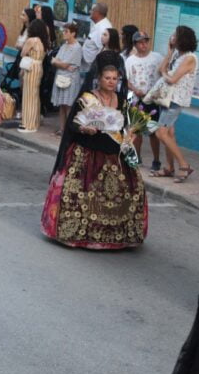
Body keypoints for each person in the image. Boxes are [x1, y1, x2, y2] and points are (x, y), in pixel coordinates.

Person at [41, 51, 148, 250]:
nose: (111, 82)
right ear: (98, 78)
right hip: (88, 152)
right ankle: (78, 232)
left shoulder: (122, 100)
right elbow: (72, 125)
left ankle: (116, 235)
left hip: (114, 154)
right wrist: (84, 128)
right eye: (107, 78)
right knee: (80, 193)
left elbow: (127, 125)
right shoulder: (87, 98)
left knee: (126, 194)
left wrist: (131, 133)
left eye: (115, 78)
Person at [151, 25, 198, 183]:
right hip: (167, 98)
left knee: (160, 133)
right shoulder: (178, 54)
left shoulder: (190, 58)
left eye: (174, 35)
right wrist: (170, 52)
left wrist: (165, 75)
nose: (171, 37)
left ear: (182, 39)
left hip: (176, 100)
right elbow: (160, 69)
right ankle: (170, 168)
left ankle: (184, 165)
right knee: (169, 133)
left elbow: (172, 79)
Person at [125, 31, 163, 172]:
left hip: (152, 100)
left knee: (153, 132)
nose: (144, 45)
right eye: (141, 42)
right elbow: (127, 80)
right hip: (136, 100)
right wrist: (135, 90)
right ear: (135, 44)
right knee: (137, 131)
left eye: (146, 41)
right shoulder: (130, 61)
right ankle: (138, 157)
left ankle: (156, 160)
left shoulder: (157, 58)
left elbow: (163, 74)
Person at [50, 22, 82, 135]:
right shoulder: (64, 45)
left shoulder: (77, 48)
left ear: (73, 33)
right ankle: (62, 129)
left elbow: (63, 64)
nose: (64, 33)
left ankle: (69, 131)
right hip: (61, 77)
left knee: (69, 106)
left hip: (70, 80)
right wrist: (59, 63)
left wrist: (58, 62)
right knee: (62, 105)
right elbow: (56, 61)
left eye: (66, 31)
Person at [18, 19, 48, 132]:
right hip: (39, 67)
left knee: (28, 97)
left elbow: (22, 53)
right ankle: (35, 123)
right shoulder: (43, 41)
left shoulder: (31, 40)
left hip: (31, 68)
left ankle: (28, 124)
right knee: (35, 96)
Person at [82, 2, 112, 72]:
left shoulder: (103, 28)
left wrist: (94, 69)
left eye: (92, 10)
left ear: (97, 13)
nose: (90, 12)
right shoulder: (99, 25)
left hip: (91, 70)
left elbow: (102, 50)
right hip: (86, 68)